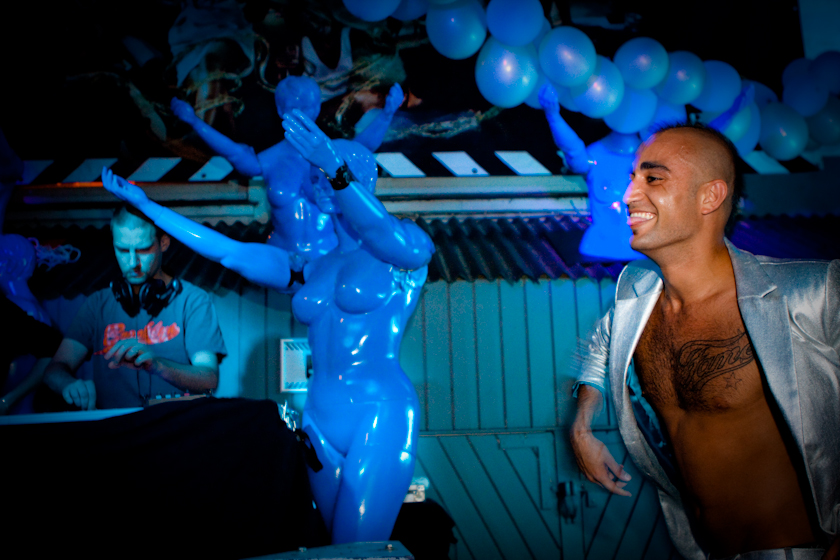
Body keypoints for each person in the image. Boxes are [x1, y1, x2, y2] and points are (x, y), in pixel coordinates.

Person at [100, 109, 434, 544]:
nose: (317, 182)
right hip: (318, 416)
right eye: (314, 175)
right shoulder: (313, 266)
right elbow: (229, 253)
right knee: (332, 548)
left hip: (379, 409)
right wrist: (149, 208)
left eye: (328, 173)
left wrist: (332, 165)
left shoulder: (404, 247)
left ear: (362, 180)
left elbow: (376, 228)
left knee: (357, 549)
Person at [570, 122, 839, 559]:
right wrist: (582, 424)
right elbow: (599, 351)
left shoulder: (813, 291)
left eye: (652, 178)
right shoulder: (636, 299)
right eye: (632, 178)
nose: (628, 195)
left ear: (710, 197)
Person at [170, 74, 403, 277]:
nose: (303, 113)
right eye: (294, 107)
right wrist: (194, 122)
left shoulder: (334, 154)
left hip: (329, 255)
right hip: (282, 259)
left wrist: (387, 114)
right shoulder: (270, 159)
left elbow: (363, 147)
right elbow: (235, 153)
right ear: (281, 110)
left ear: (317, 108)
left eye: (309, 106)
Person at [538, 83, 752, 261]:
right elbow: (573, 151)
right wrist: (553, 115)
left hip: (644, 255)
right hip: (598, 251)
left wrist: (733, 112)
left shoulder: (655, 157)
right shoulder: (595, 157)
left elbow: (699, 146)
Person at [42, 204, 227, 410]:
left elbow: (209, 378)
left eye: (143, 249)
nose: (132, 262)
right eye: (123, 250)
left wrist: (158, 365)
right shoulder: (97, 305)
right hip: (115, 427)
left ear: (163, 243)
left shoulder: (193, 301)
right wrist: (69, 385)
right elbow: (54, 369)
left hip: (173, 425)